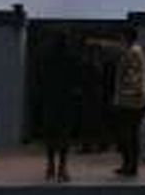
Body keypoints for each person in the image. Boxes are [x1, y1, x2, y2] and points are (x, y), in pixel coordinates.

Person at [41, 31, 82, 182]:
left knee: (51, 135)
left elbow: (41, 80)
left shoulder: (47, 59)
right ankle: (62, 168)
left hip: (51, 101)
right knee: (64, 136)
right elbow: (77, 81)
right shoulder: (72, 59)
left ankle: (51, 166)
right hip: (66, 102)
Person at [113, 26, 145, 177]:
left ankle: (130, 166)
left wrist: (123, 95)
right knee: (129, 134)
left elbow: (133, 77)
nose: (120, 41)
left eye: (121, 37)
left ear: (127, 37)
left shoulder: (133, 52)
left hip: (132, 102)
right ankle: (129, 165)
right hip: (133, 100)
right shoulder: (134, 51)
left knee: (128, 134)